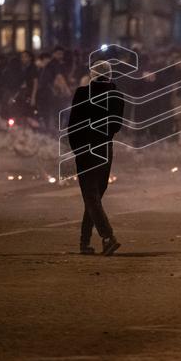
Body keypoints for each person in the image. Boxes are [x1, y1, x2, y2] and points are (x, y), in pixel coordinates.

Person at [66, 60, 124, 256]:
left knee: (91, 197)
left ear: (92, 74)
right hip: (104, 149)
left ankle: (106, 237)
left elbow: (72, 125)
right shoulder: (116, 96)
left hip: (84, 150)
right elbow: (116, 126)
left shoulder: (82, 93)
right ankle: (85, 242)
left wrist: (77, 149)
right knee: (94, 197)